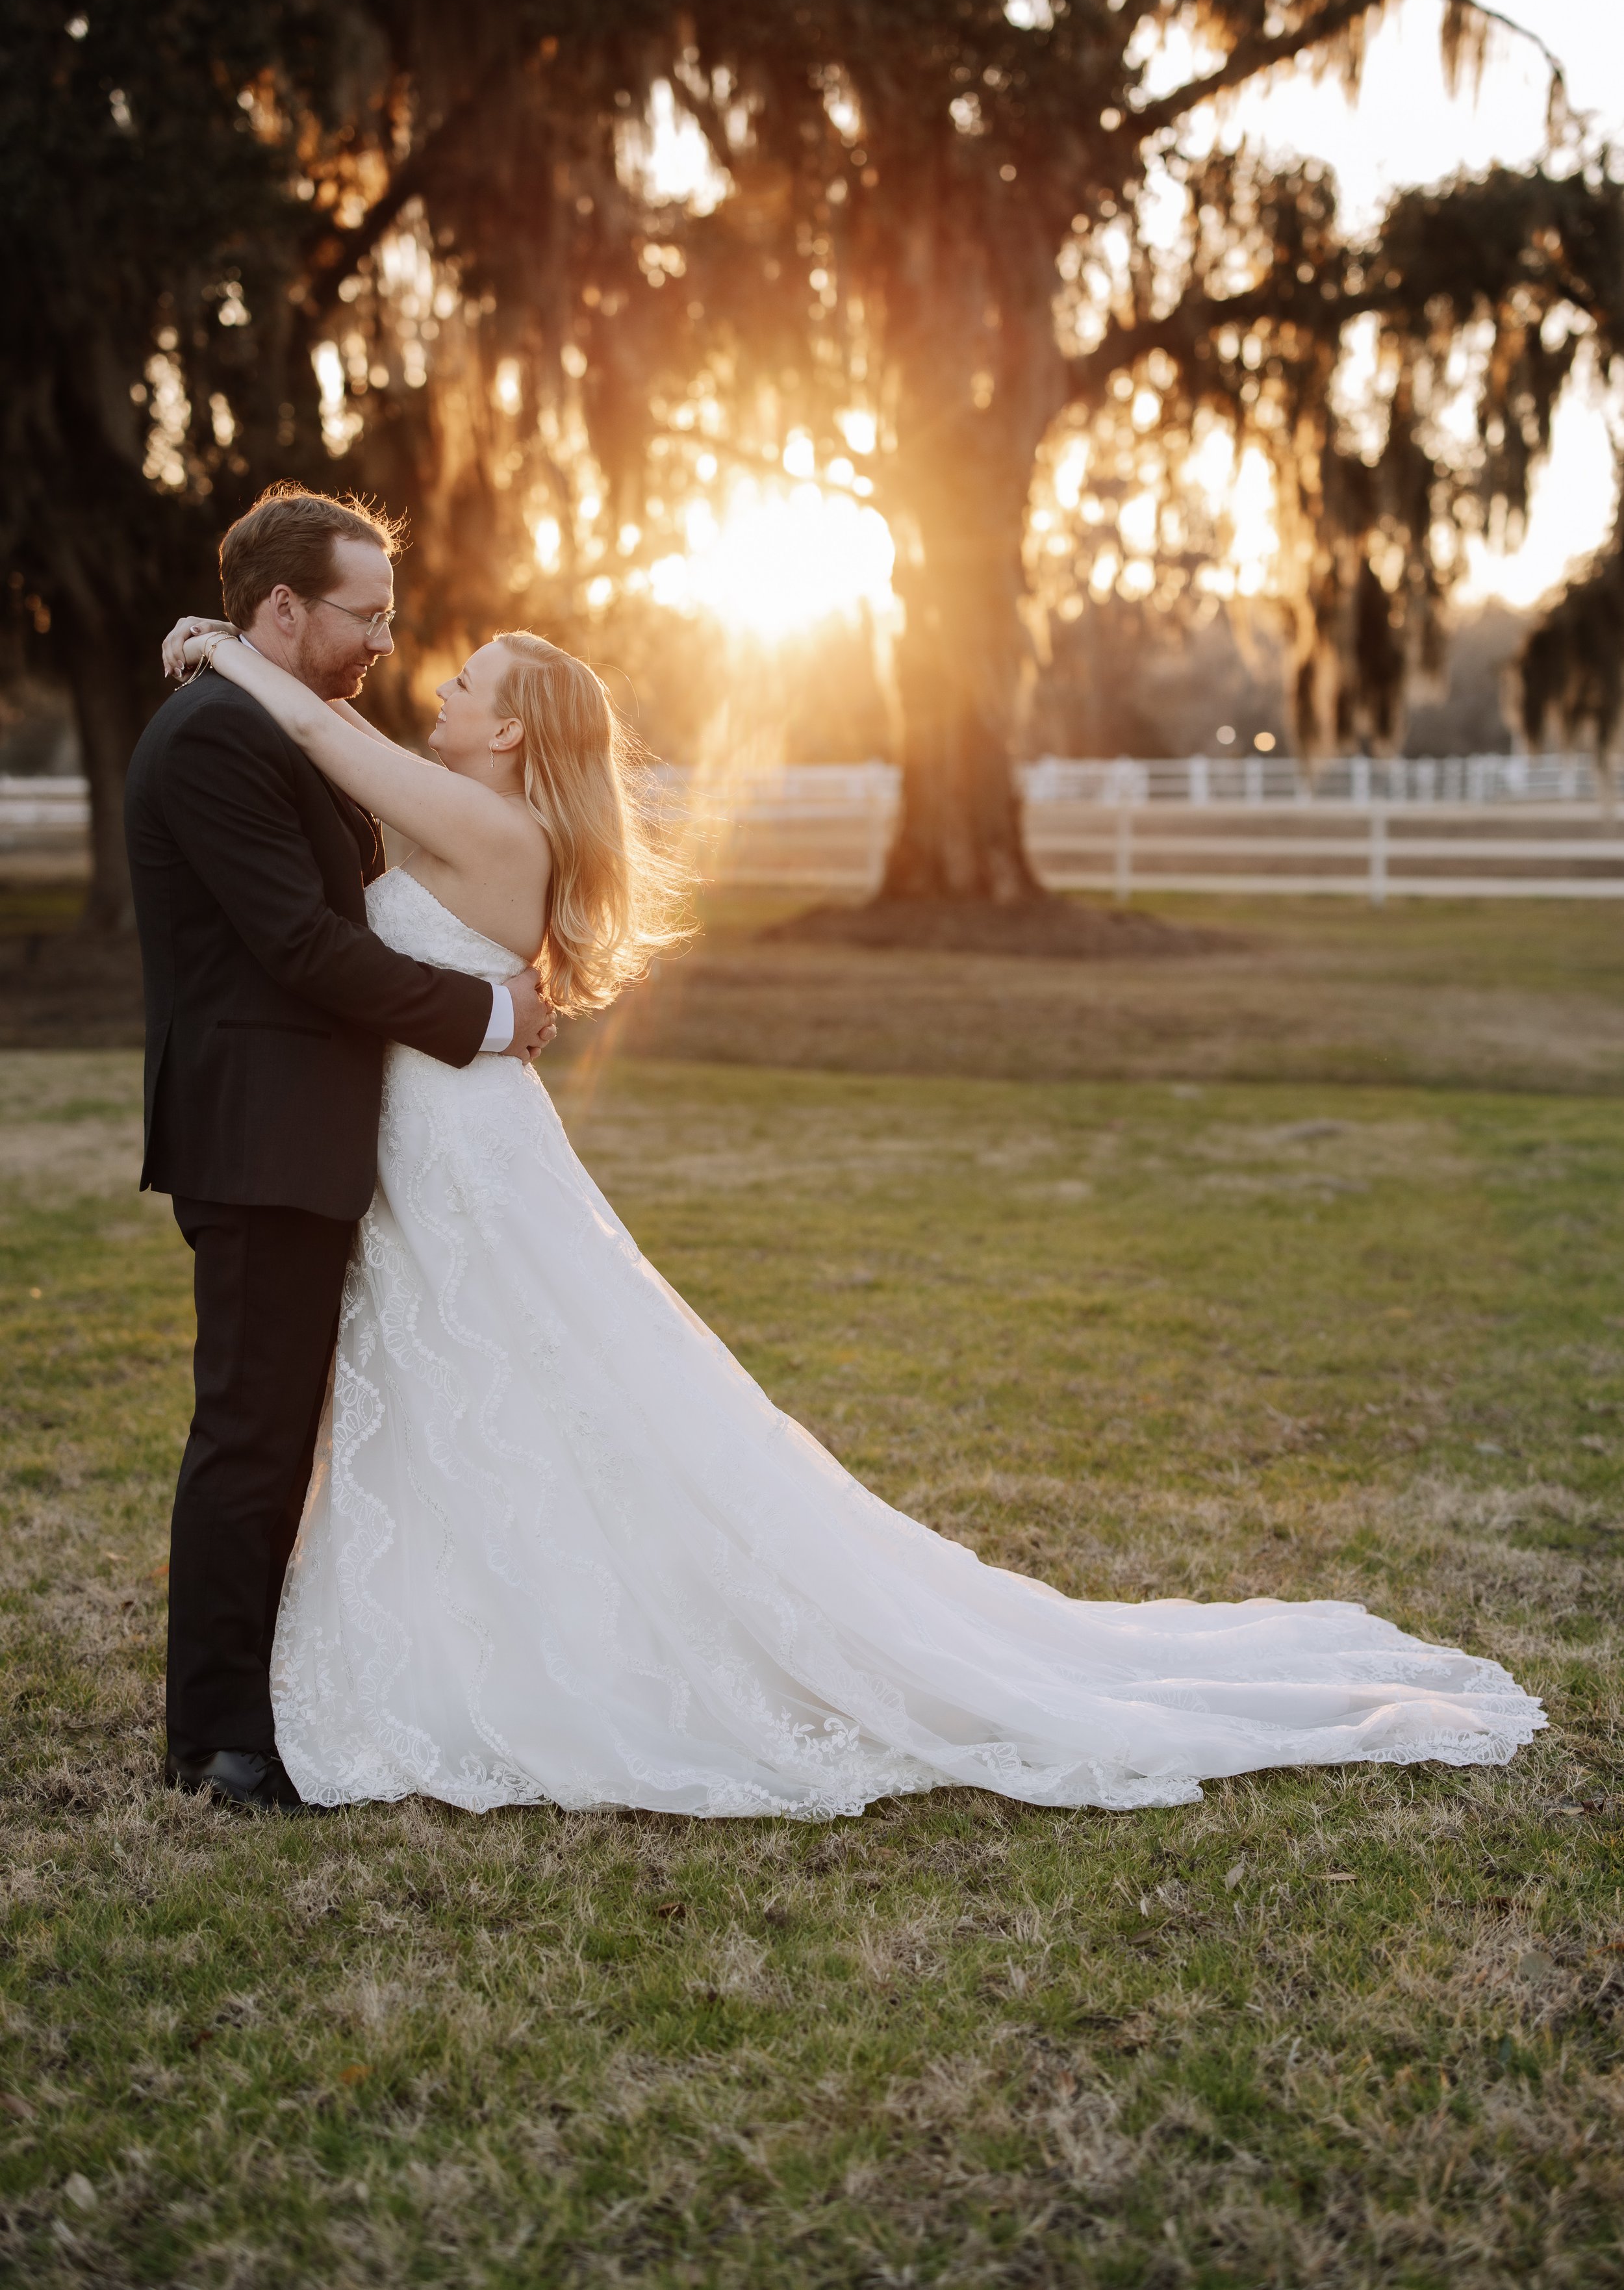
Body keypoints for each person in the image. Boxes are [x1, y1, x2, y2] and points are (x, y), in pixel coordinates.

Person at [159, 602, 1546, 1820]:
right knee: (489, 1391)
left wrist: (225, 649)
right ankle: (451, 1632)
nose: (438, 694)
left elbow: (325, 744)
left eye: (467, 684)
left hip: (455, 1142)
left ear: (512, 735)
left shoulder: (473, 815)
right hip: (435, 1133)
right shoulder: (476, 809)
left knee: (530, 1381)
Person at [127, 486, 556, 1816]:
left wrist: (235, 650)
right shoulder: (212, 741)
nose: (382, 638)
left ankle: (252, 1705)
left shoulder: (260, 711)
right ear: (280, 608)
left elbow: (340, 758)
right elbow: (304, 948)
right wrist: (486, 1014)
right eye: (361, 615)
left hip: (298, 1134)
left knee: (273, 1429)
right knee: (251, 1435)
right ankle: (217, 1740)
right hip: (257, 1136)